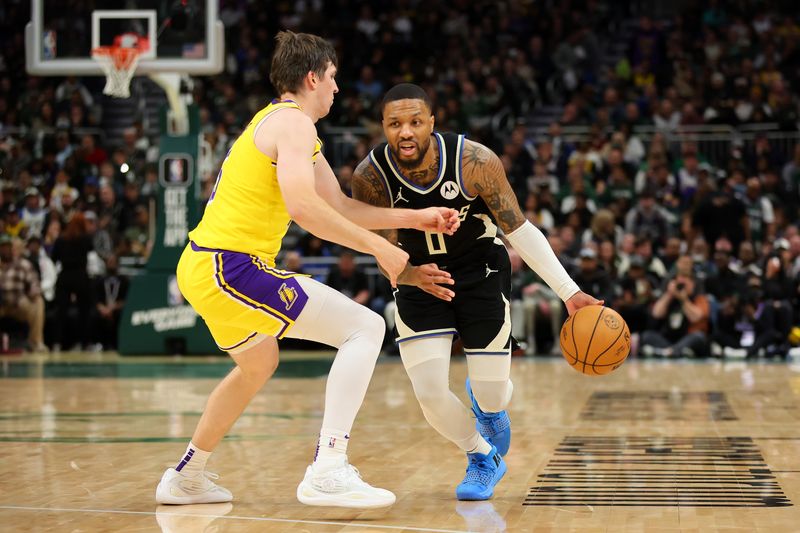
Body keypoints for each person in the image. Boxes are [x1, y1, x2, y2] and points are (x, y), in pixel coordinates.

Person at [155, 32, 460, 509]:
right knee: (365, 325)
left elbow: (336, 205)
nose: (337, 89)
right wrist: (379, 250)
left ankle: (186, 477)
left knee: (259, 363)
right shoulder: (292, 122)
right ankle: (328, 468)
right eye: (333, 78)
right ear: (313, 77)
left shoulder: (291, 129)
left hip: (208, 265)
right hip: (229, 263)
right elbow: (302, 209)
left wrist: (413, 218)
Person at [351, 83, 599, 501]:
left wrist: (568, 292)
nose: (405, 132)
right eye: (395, 124)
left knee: (491, 392)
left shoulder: (475, 161)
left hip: (480, 272)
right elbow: (382, 245)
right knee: (429, 391)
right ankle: (482, 458)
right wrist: (409, 274)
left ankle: (488, 405)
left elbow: (518, 228)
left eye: (415, 122)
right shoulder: (369, 177)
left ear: (432, 121)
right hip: (419, 279)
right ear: (383, 127)